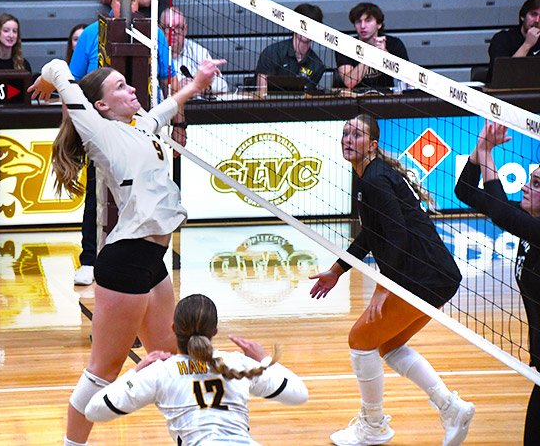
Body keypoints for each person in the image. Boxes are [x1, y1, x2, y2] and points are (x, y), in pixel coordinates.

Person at [28, 55, 223, 446]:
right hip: (125, 262)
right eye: (119, 86)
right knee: (103, 371)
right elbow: (56, 65)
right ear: (99, 105)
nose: (131, 88)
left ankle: (197, 436)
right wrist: (50, 82)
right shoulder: (97, 130)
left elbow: (165, 110)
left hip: (151, 262)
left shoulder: (139, 128)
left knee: (174, 357)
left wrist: (197, 84)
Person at [309, 114, 474, 446]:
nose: (347, 138)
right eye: (344, 133)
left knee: (360, 340)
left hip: (423, 277)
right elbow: (372, 234)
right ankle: (451, 408)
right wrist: (337, 270)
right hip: (437, 276)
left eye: (356, 134)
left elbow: (396, 236)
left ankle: (373, 426)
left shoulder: (375, 180)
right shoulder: (371, 176)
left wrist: (382, 290)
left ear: (372, 145)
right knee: (388, 345)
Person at [84, 293, 308, 445]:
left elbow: (94, 410)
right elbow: (299, 395)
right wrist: (264, 360)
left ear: (173, 328)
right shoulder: (239, 364)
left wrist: (136, 371)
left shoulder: (160, 371)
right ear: (215, 331)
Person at [70, 0, 179, 287]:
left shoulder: (154, 34)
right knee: (96, 196)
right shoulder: (92, 35)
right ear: (111, 2)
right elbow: (74, 86)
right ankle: (89, 259)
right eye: (122, 1)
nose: (129, 7)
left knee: (146, 195)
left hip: (143, 131)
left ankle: (149, 263)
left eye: (134, 1)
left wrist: (179, 124)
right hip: (106, 132)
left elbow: (169, 83)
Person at [454, 120, 540, 445]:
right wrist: (478, 153)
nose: (527, 187)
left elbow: (502, 214)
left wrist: (489, 152)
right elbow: (465, 191)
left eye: (537, 183)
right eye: (529, 180)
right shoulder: (529, 220)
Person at [255, 3, 326, 96]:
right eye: (303, 25)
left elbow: (306, 96)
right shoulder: (272, 53)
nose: (307, 30)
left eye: (312, 26)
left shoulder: (317, 65)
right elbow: (262, 91)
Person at [335, 3, 409, 92]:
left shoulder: (394, 44)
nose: (362, 26)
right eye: (358, 22)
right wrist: (372, 55)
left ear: (379, 24)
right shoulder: (345, 45)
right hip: (354, 97)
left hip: (386, 97)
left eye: (368, 21)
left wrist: (386, 56)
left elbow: (408, 78)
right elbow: (349, 82)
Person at [162, 5, 228, 97]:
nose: (173, 33)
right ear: (159, 29)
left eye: (178, 28)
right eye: (168, 28)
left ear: (185, 30)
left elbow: (223, 86)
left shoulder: (198, 51)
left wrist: (204, 85)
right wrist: (177, 88)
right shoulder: (153, 53)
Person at [486, 0, 540, 83]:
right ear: (522, 16)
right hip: (504, 93)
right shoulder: (502, 39)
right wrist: (527, 45)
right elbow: (504, 76)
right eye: (533, 14)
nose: (537, 21)